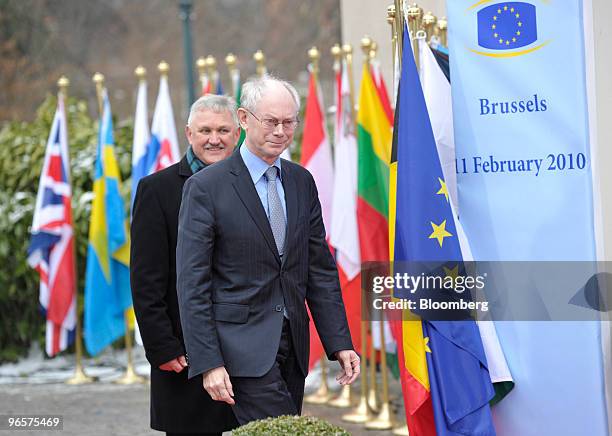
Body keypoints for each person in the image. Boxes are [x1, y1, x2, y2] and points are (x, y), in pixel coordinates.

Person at [176, 75, 360, 425]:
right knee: (283, 429)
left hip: (294, 346)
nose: (281, 131)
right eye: (271, 121)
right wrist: (209, 362)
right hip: (240, 350)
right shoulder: (206, 188)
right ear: (244, 119)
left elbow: (319, 268)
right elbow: (192, 284)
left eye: (289, 122)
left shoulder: (301, 180)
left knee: (283, 426)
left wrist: (339, 342)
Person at [130, 94, 241, 436]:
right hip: (183, 357)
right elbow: (146, 280)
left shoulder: (255, 184)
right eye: (205, 130)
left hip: (246, 349)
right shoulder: (156, 190)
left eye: (223, 130)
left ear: (237, 134)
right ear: (189, 133)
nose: (214, 139)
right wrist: (162, 346)